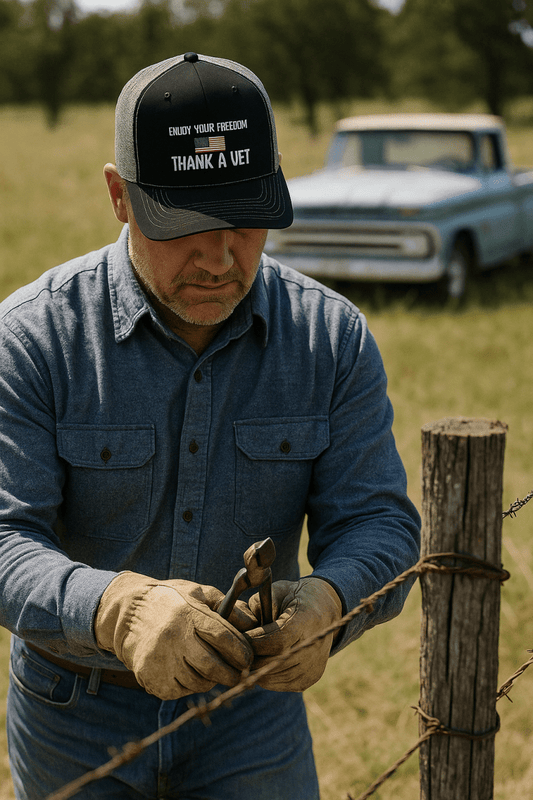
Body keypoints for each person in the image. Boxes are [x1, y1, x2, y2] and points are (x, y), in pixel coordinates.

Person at [0, 52, 420, 800]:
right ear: (120, 196)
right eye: (184, 226)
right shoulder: (33, 338)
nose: (220, 259)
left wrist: (327, 601)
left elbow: (378, 521)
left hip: (250, 713)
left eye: (245, 220)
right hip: (73, 711)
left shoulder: (330, 337)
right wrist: (116, 609)